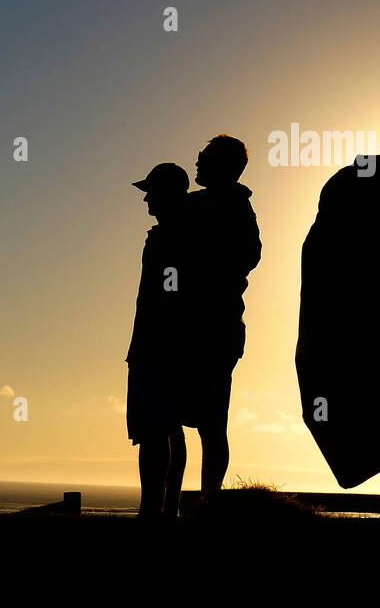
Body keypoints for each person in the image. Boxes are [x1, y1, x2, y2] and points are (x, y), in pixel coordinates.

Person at [182, 135, 262, 494]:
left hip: (215, 330)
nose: (196, 161)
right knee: (180, 420)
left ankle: (206, 502)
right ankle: (177, 504)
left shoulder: (233, 210)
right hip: (199, 328)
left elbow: (247, 258)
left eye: (204, 156)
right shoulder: (198, 206)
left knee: (210, 423)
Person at [126, 162, 191, 519]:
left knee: (154, 428)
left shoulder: (172, 237)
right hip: (159, 341)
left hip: (158, 343)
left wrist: (159, 337)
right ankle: (167, 507)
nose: (147, 199)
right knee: (169, 427)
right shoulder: (173, 234)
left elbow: (170, 290)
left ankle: (153, 509)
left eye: (152, 191)